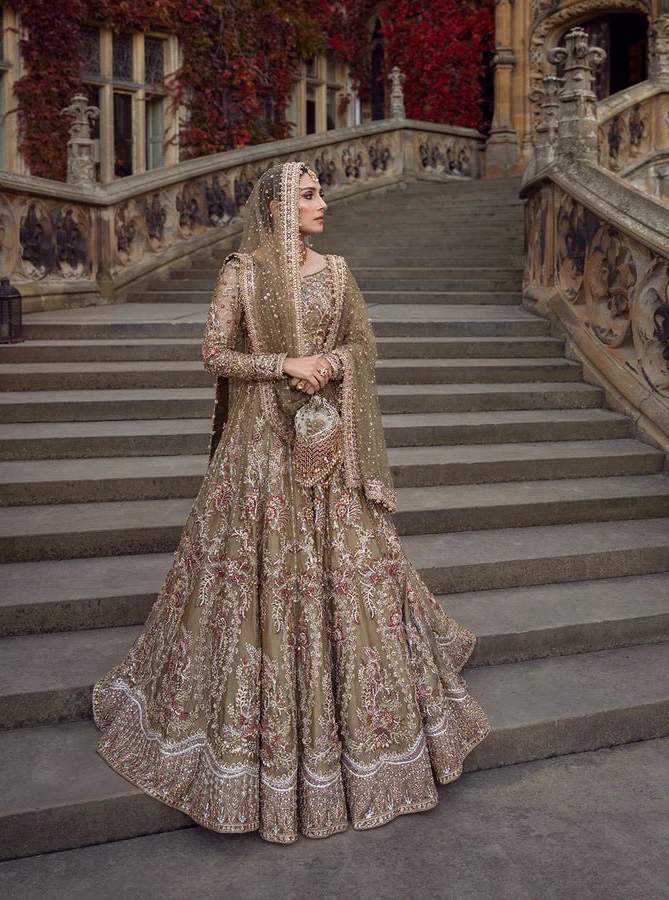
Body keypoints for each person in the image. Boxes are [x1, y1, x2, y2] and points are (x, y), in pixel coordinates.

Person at [92, 160, 490, 845]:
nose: (321, 203)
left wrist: (329, 365)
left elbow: (363, 344)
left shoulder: (336, 271)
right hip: (259, 451)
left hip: (328, 446)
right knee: (256, 581)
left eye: (320, 192)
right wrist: (282, 365)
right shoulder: (242, 272)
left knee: (351, 577)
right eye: (308, 194)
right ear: (277, 208)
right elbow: (214, 352)